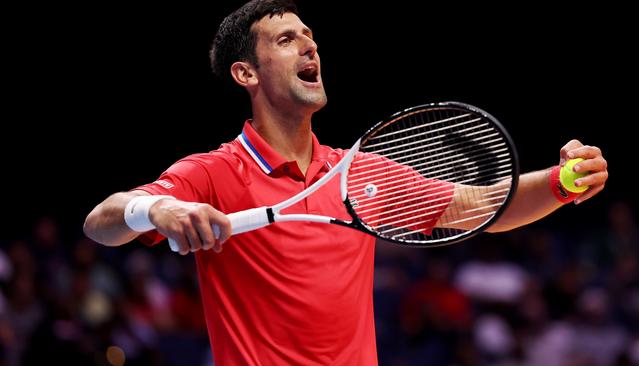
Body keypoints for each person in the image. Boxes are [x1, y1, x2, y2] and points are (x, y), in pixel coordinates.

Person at [83, 0, 609, 364]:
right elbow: (101, 222)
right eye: (287, 40)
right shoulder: (215, 172)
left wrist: (563, 182)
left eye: (310, 38)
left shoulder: (355, 172)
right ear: (247, 74)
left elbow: (479, 206)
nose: (311, 49)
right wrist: (159, 211)